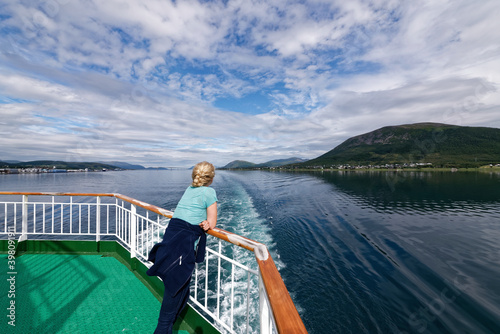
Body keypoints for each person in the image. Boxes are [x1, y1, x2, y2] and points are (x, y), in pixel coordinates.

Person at [147, 161, 217, 334]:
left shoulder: (189, 189)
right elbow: (213, 223)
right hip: (182, 246)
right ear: (211, 178)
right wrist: (208, 224)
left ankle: (168, 325)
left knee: (183, 288)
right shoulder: (209, 192)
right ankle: (163, 328)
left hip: (171, 238)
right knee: (176, 287)